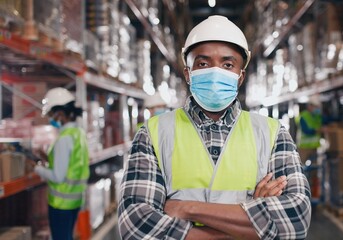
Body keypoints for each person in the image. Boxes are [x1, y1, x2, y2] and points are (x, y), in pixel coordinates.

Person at [118, 15, 311, 239]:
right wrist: (252, 223)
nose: (215, 72)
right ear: (188, 73)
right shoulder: (153, 133)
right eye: (203, 63)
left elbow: (296, 220)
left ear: (240, 77)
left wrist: (185, 208)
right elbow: (135, 225)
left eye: (228, 65)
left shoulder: (272, 133)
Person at [34, 87, 90, 240]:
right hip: (75, 199)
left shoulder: (64, 138)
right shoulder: (78, 133)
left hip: (61, 203)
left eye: (51, 114)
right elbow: (72, 163)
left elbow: (58, 176)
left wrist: (37, 168)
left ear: (60, 113)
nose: (51, 118)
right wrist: (46, 157)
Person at [296, 96, 323, 164]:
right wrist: (316, 130)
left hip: (314, 147)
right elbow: (306, 130)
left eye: (317, 107)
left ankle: (314, 175)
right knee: (300, 167)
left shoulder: (317, 116)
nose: (317, 109)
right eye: (315, 106)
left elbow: (325, 121)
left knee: (315, 168)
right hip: (304, 147)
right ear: (309, 106)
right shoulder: (303, 116)